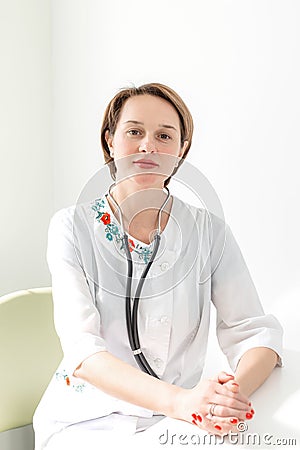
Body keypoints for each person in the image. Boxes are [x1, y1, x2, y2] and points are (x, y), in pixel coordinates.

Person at [33, 83, 283, 449]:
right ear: (110, 142)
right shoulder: (72, 227)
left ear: (181, 151)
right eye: (134, 132)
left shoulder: (208, 232)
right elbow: (82, 352)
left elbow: (255, 333)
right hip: (86, 422)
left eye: (165, 135)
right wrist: (182, 402)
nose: (148, 146)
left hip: (180, 423)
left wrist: (225, 400)